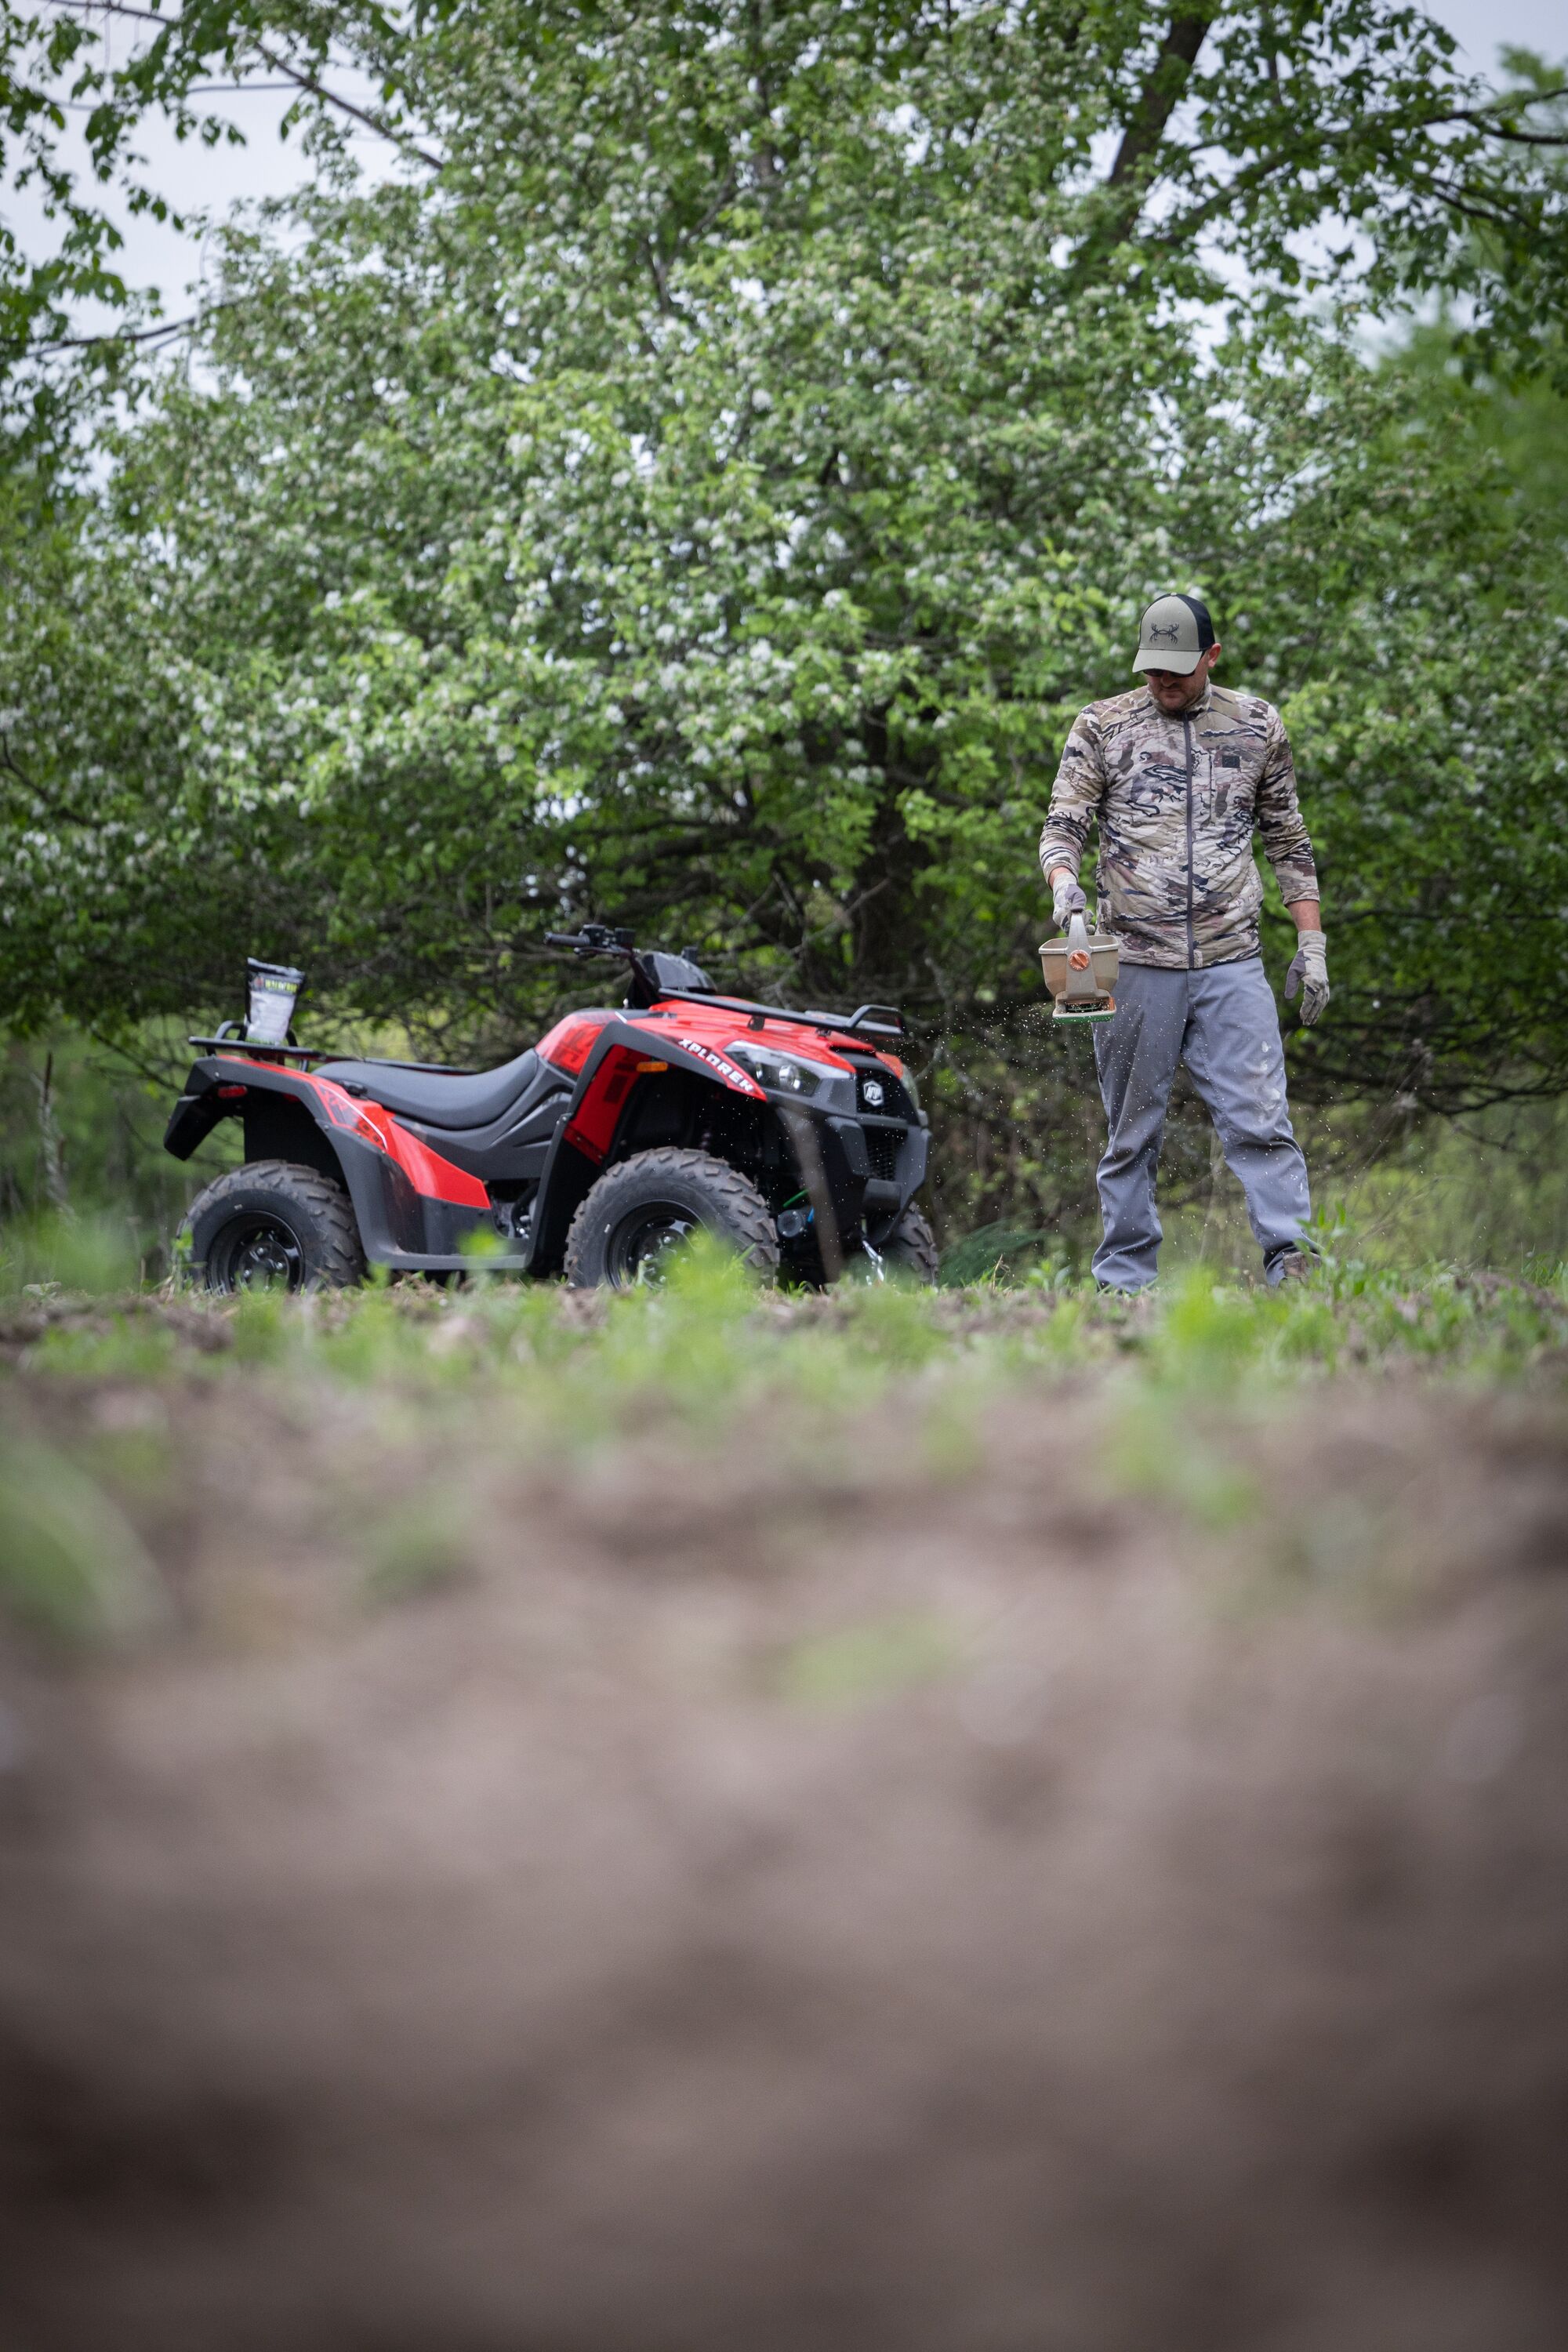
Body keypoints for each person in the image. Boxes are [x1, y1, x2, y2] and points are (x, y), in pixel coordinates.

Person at [1039, 593, 1328, 1292]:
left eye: (1178, 670)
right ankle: (1124, 1280)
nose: (1164, 684)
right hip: (1133, 961)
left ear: (1212, 656)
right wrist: (1061, 884)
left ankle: (1292, 1260)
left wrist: (1312, 943)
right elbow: (1063, 824)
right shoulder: (1103, 726)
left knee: (1260, 1118)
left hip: (1233, 959)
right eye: (1153, 672)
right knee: (1131, 1131)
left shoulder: (1258, 726)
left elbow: (1288, 840)